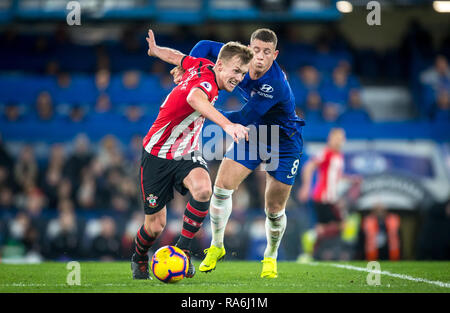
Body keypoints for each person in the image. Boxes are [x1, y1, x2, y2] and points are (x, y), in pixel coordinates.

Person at [171, 29, 305, 278]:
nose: (260, 57)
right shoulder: (237, 58)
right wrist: (189, 73)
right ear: (249, 48)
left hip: (282, 140)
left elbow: (244, 116)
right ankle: (217, 246)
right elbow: (203, 45)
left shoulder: (273, 84)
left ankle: (270, 257)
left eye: (267, 52)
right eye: (256, 50)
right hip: (253, 134)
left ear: (274, 55)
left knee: (274, 209)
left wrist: (204, 109)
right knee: (221, 187)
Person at [131, 29, 253, 280]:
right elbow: (195, 98)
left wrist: (156, 51)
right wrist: (228, 126)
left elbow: (178, 57)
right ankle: (140, 256)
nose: (238, 78)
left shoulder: (202, 64)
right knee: (154, 226)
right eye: (235, 71)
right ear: (220, 65)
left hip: (186, 150)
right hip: (157, 154)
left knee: (203, 189)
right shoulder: (206, 84)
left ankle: (181, 252)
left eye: (242, 73)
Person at [297, 128, 360, 262]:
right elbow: (309, 166)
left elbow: (336, 175)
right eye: (337, 137)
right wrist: (306, 186)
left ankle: (313, 251)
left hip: (331, 198)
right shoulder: (326, 152)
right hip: (324, 197)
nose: (340, 140)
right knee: (339, 225)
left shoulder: (338, 156)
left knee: (332, 226)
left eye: (341, 138)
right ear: (330, 139)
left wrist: (351, 179)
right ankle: (311, 242)